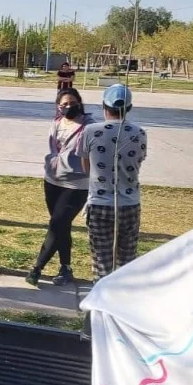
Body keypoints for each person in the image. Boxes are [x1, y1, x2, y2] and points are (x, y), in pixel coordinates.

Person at [76, 84, 147, 281]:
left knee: (102, 260)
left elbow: (86, 167)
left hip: (100, 203)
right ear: (130, 108)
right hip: (130, 203)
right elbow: (138, 160)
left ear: (103, 106)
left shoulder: (90, 131)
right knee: (127, 260)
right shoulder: (139, 133)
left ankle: (100, 300)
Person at [26, 88, 94, 287]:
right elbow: (52, 148)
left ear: (80, 103)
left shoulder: (89, 126)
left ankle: (37, 268)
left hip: (76, 183)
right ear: (58, 106)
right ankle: (66, 268)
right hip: (53, 180)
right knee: (62, 226)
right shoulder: (56, 123)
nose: (68, 107)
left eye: (72, 103)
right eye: (63, 104)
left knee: (56, 224)